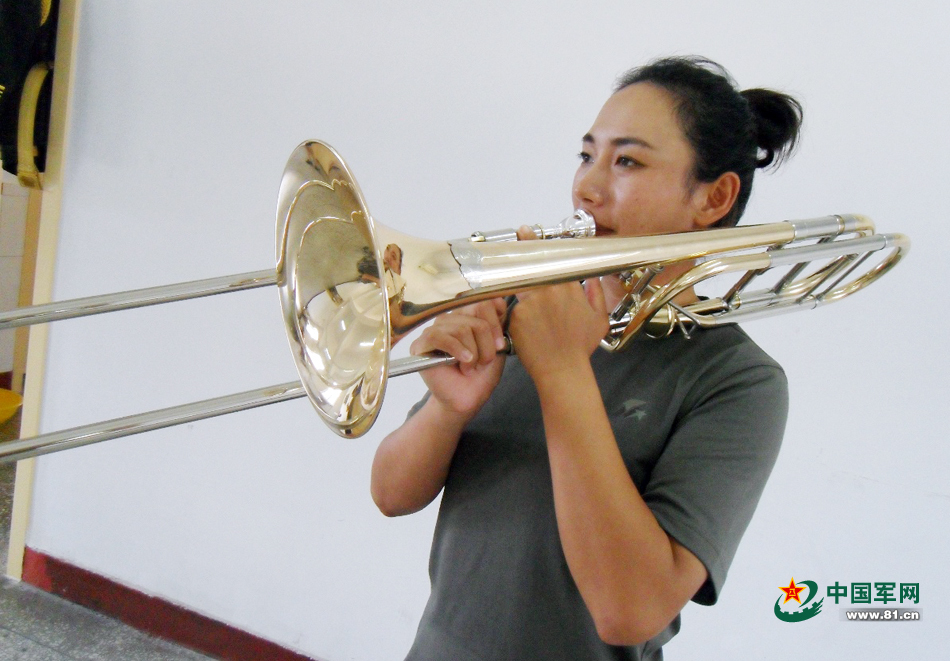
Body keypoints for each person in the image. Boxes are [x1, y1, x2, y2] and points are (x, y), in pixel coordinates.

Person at [371, 56, 802, 660]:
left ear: (713, 198)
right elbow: (390, 494)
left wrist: (562, 369)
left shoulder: (740, 383)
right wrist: (446, 410)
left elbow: (631, 612)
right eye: (586, 155)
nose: (587, 187)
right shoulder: (528, 310)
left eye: (627, 160)